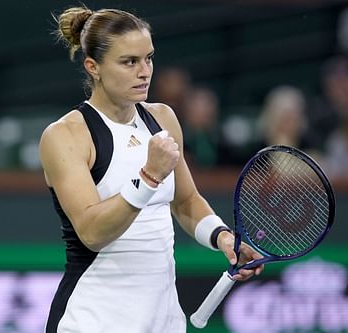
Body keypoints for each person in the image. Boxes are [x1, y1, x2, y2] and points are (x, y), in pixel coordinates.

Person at [39, 6, 263, 333]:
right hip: (91, 320)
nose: (145, 71)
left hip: (163, 321)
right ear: (93, 67)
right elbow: (92, 233)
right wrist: (149, 177)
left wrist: (222, 237)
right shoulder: (65, 136)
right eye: (129, 62)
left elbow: (185, 201)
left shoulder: (163, 118)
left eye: (149, 58)